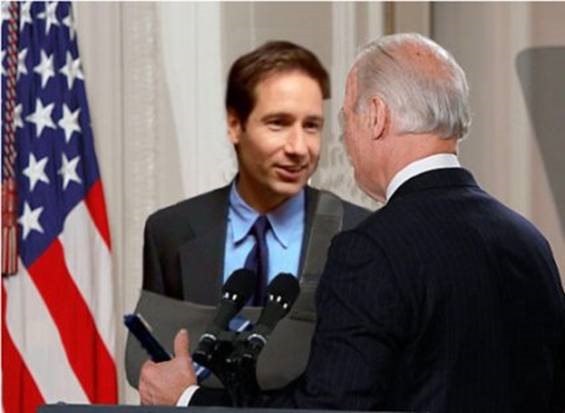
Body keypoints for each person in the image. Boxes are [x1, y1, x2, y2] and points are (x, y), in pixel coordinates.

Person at [140, 33, 565, 413]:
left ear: (376, 116)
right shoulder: (529, 242)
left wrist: (187, 399)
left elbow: (328, 409)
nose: (343, 138)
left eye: (346, 118)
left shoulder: (370, 250)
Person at [129, 41, 369, 394]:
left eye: (311, 126)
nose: (298, 147)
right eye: (278, 123)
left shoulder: (360, 232)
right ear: (234, 125)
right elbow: (158, 357)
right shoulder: (171, 232)